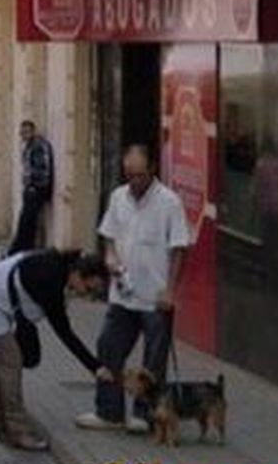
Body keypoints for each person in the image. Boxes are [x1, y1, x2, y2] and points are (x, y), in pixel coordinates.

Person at [76, 145, 191, 434]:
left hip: (155, 297)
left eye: (139, 175)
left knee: (153, 360)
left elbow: (179, 249)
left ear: (152, 169)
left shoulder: (169, 202)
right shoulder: (118, 197)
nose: (134, 182)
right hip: (123, 294)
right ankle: (109, 411)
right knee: (108, 346)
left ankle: (146, 414)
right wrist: (110, 257)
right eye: (129, 175)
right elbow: (109, 236)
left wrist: (170, 291)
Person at [0, 249, 114, 451]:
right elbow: (64, 332)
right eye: (88, 288)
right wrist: (95, 366)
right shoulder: (51, 280)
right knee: (11, 362)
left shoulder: (56, 268)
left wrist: (94, 366)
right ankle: (17, 432)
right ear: (79, 274)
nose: (86, 295)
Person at [8, 121, 55, 254]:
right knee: (27, 221)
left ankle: (19, 250)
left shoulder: (38, 145)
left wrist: (33, 186)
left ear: (33, 131)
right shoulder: (30, 146)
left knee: (26, 221)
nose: (24, 135)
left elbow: (42, 170)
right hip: (32, 188)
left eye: (27, 132)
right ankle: (22, 249)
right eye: (22, 132)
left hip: (36, 189)